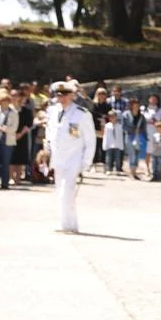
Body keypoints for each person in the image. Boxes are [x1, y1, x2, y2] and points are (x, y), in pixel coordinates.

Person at [48, 82, 96, 232]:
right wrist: (47, 150)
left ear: (72, 95)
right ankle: (70, 224)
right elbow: (50, 132)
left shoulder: (81, 114)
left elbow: (90, 140)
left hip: (74, 157)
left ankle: (66, 225)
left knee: (67, 192)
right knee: (60, 191)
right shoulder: (52, 111)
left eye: (65, 95)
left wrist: (86, 162)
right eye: (59, 95)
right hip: (58, 157)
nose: (61, 98)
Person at [123, 98, 144, 179]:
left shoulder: (141, 116)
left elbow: (143, 126)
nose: (136, 106)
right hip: (129, 136)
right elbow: (123, 126)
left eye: (137, 105)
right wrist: (132, 129)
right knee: (131, 154)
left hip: (138, 136)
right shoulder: (126, 114)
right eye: (134, 105)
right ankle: (132, 172)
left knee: (137, 154)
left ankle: (134, 171)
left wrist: (140, 131)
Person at [103, 110, 126, 175]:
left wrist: (121, 146)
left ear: (116, 117)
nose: (112, 118)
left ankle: (118, 169)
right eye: (110, 117)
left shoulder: (119, 126)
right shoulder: (107, 126)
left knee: (118, 158)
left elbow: (121, 137)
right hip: (109, 144)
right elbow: (105, 136)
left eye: (113, 117)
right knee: (108, 158)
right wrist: (105, 145)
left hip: (117, 145)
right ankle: (109, 169)